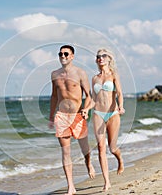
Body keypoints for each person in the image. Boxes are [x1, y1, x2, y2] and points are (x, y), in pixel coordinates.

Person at [49, 45, 95, 195]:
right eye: (60, 53)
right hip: (61, 116)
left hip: (78, 116)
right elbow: (54, 96)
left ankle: (88, 164)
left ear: (72, 56)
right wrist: (51, 117)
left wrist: (86, 109)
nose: (63, 56)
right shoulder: (54, 74)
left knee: (85, 149)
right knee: (65, 152)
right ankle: (71, 186)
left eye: (66, 53)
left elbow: (89, 96)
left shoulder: (80, 73)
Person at [91, 48, 125, 191]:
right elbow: (93, 98)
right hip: (98, 113)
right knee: (100, 148)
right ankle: (106, 181)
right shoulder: (94, 78)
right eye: (98, 56)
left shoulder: (114, 75)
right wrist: (85, 110)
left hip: (112, 113)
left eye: (104, 56)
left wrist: (121, 107)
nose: (101, 58)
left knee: (112, 148)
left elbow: (119, 93)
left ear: (109, 59)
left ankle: (120, 159)